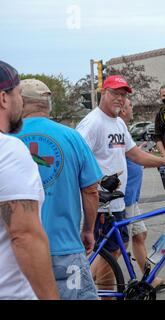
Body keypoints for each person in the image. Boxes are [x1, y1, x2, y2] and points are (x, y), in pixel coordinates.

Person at [13, 79, 102, 300]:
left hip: (18, 251)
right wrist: (88, 230)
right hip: (66, 247)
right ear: (47, 104)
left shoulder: (7, 140)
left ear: (21, 102)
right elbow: (91, 190)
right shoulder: (72, 137)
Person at [76, 75, 165, 288]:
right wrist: (97, 184)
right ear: (103, 94)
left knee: (116, 247)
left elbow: (135, 154)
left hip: (117, 201)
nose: (120, 98)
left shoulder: (117, 122)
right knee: (110, 250)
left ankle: (102, 290)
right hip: (101, 202)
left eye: (123, 95)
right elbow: (78, 159)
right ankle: (89, 288)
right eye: (115, 93)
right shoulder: (92, 123)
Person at [0, 61, 59, 299]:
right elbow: (23, 236)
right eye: (18, 94)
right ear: (3, 98)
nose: (21, 102)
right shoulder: (8, 150)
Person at [119, 98, 165, 291]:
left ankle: (149, 278)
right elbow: (136, 157)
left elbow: (132, 155)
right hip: (123, 199)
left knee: (139, 234)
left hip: (130, 199)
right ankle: (90, 279)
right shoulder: (119, 129)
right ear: (123, 110)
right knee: (117, 247)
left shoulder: (123, 130)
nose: (132, 108)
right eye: (130, 105)